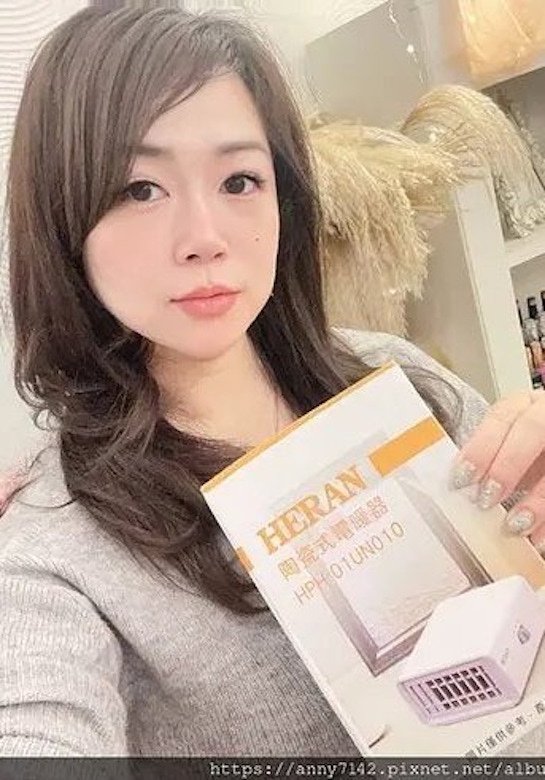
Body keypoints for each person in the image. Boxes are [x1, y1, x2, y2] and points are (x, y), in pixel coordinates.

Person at [0, 4, 544, 759]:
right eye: (138, 189)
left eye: (239, 179)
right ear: (62, 219)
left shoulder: (396, 376)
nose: (205, 239)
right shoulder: (53, 548)